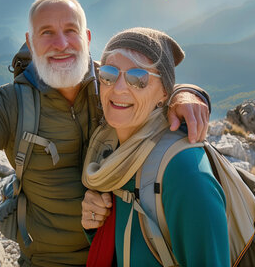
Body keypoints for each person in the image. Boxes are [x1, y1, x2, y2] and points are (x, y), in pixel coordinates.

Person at [0, 0, 211, 267]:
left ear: (87, 38)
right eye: (46, 33)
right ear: (30, 41)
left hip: (125, 248)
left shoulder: (113, 85)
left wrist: (188, 94)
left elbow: (153, 85)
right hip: (49, 259)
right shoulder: (10, 103)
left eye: (71, 30)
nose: (61, 43)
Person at [80, 27, 229, 266]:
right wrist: (95, 223)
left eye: (138, 79)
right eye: (108, 73)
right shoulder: (109, 154)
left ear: (165, 93)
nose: (118, 88)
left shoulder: (185, 172)